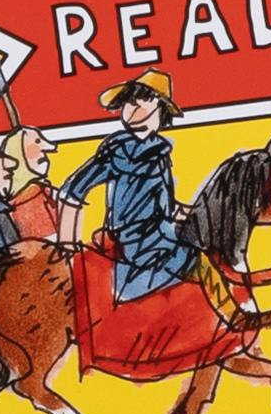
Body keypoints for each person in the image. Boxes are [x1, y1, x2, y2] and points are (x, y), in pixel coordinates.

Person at [65, 73, 197, 302]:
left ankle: (229, 314)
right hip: (133, 241)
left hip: (161, 233)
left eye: (145, 100)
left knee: (201, 247)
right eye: (130, 101)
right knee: (187, 259)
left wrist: (191, 213)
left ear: (161, 110)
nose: (135, 107)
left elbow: (163, 203)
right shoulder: (119, 150)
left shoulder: (160, 153)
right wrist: (67, 245)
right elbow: (73, 190)